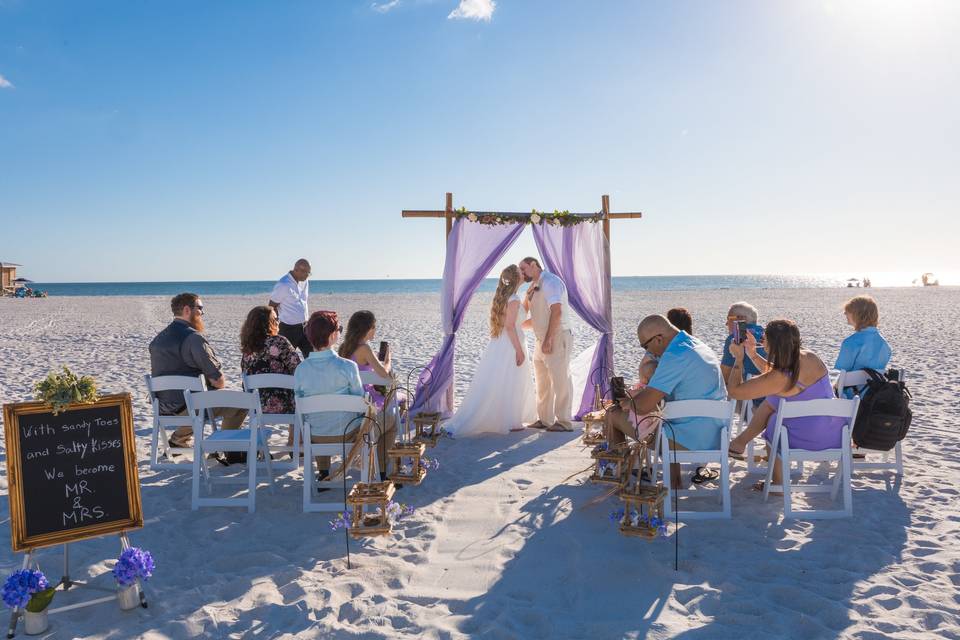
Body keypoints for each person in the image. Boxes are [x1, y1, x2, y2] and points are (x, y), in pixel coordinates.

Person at [605, 315, 727, 488]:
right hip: (717, 437)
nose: (648, 352)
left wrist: (628, 403)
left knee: (613, 415)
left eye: (645, 346)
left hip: (687, 442)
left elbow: (643, 406)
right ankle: (673, 481)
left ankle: (618, 477)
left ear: (659, 338)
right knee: (667, 419)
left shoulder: (674, 355)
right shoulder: (697, 345)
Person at [727, 319, 846, 492]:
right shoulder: (810, 357)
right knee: (774, 400)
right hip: (834, 433)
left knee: (775, 418)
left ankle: (778, 484)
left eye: (765, 338)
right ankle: (740, 443)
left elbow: (735, 392)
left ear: (774, 345)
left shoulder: (780, 378)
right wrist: (752, 354)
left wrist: (738, 359)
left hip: (807, 439)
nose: (762, 340)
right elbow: (776, 376)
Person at [444, 265, 537, 436]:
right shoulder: (513, 299)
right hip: (510, 343)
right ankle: (512, 421)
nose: (524, 274)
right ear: (517, 279)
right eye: (520, 272)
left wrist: (528, 298)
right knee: (511, 379)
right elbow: (510, 327)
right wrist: (519, 350)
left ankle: (507, 418)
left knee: (501, 379)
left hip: (500, 342)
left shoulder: (507, 297)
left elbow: (512, 321)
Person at [149, 292, 247, 450]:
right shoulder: (193, 338)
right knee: (241, 403)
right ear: (187, 310)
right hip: (188, 407)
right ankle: (223, 448)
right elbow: (218, 381)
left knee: (199, 397)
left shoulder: (158, 339)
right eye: (200, 308)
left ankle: (179, 440)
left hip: (162, 406)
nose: (202, 313)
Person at [294, 311, 381, 486]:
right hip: (346, 434)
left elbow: (300, 408)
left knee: (318, 420)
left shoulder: (301, 370)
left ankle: (324, 471)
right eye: (338, 329)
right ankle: (373, 469)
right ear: (333, 335)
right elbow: (359, 404)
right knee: (378, 420)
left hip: (316, 436)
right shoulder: (347, 366)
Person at [338, 310, 399, 471]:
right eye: (374, 327)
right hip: (366, 402)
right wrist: (388, 360)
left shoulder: (343, 348)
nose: (375, 330)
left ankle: (377, 463)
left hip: (350, 404)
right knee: (394, 414)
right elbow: (385, 375)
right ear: (367, 329)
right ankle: (381, 468)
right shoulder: (364, 348)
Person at [519, 257, 574, 431]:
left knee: (560, 379)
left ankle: (564, 421)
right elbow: (534, 317)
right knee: (542, 381)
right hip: (540, 339)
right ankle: (544, 419)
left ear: (534, 265)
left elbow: (556, 312)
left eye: (524, 268)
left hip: (557, 336)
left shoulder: (551, 282)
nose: (522, 272)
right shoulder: (532, 287)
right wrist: (511, 327)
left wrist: (549, 338)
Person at [240, 305, 303, 450]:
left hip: (257, 405)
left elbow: (245, 380)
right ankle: (295, 442)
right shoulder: (279, 342)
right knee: (299, 393)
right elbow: (298, 369)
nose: (279, 322)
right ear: (268, 323)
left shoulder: (247, 349)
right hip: (286, 404)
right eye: (276, 319)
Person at [835, 295, 892, 397]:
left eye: (848, 311)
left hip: (853, 397)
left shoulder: (850, 342)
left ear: (858, 315)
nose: (845, 313)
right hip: (876, 395)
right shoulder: (885, 345)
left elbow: (841, 373)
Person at [269, 259, 312, 358]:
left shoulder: (304, 282)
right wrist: (275, 325)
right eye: (305, 272)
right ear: (296, 270)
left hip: (305, 327)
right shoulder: (283, 284)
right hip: (288, 329)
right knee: (284, 358)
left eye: (309, 272)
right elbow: (271, 306)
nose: (307, 275)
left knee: (312, 356)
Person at [720, 302, 768, 383]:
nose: (726, 323)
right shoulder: (766, 335)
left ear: (741, 319)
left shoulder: (736, 338)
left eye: (729, 318)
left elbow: (724, 377)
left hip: (749, 389)